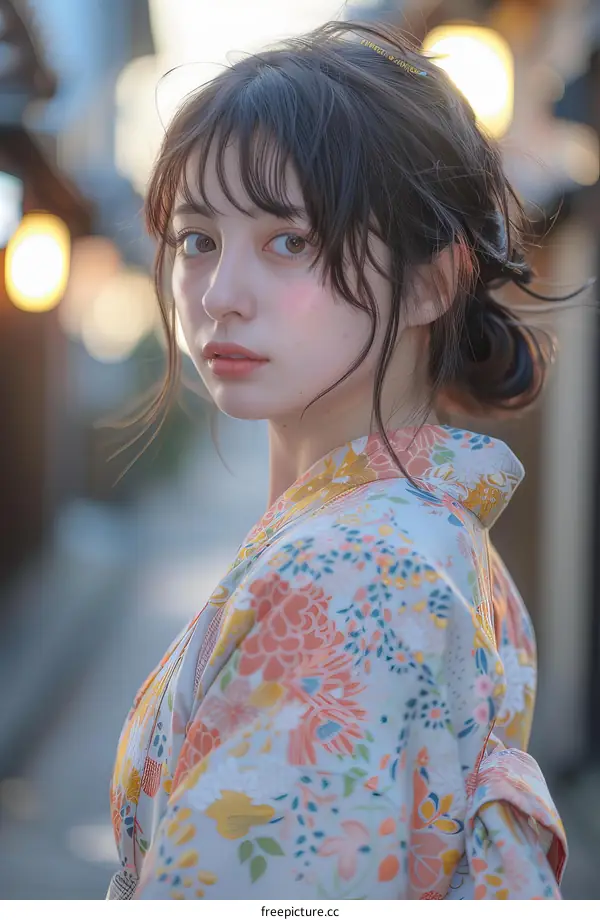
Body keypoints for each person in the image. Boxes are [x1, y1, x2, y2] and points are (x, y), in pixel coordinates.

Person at [107, 20, 572, 900]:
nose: (218, 295)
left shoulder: (344, 571)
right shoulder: (436, 542)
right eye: (198, 238)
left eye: (289, 241)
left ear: (433, 280)